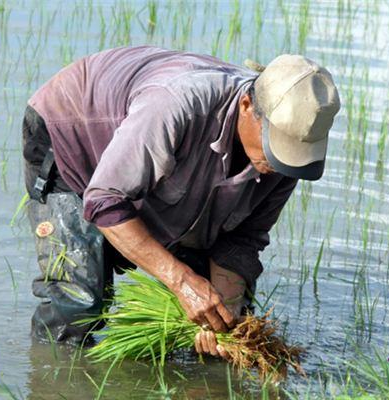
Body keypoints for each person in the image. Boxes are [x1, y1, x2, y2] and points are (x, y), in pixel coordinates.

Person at [22, 46, 340, 357]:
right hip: (72, 143)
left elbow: (243, 238)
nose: (278, 165)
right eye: (276, 147)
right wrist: (182, 281)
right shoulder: (176, 107)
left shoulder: (288, 161)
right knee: (80, 304)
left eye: (291, 154)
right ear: (246, 106)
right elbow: (105, 199)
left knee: (218, 310)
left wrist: (223, 315)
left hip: (153, 177)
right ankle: (54, 381)